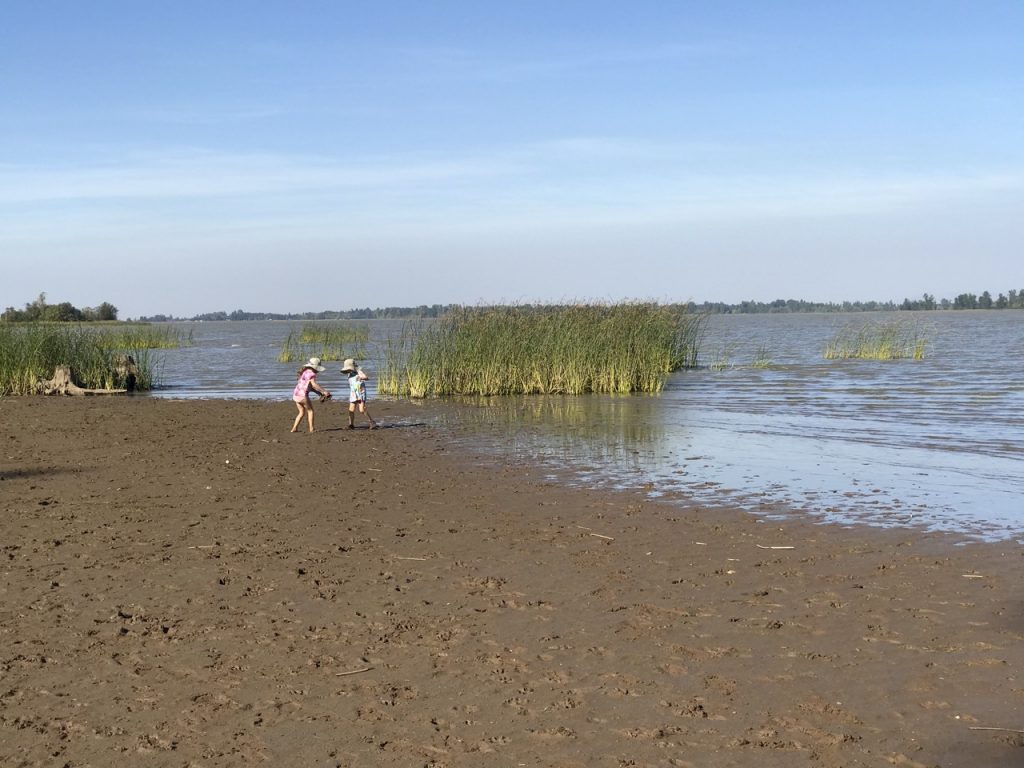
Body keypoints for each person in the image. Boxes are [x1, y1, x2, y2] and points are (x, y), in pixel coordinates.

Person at [291, 357, 331, 433]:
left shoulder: (305, 372)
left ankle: (294, 428)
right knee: (310, 411)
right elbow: (314, 385)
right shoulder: (312, 374)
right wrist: (324, 391)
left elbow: (309, 387)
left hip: (296, 395)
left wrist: (319, 393)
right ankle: (311, 429)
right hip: (303, 396)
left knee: (301, 412)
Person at [341, 358, 377, 429]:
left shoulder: (358, 371)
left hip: (360, 392)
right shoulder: (349, 374)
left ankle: (372, 421)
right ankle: (351, 425)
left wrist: (361, 378)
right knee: (351, 409)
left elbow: (366, 377)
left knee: (362, 410)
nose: (348, 370)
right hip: (353, 393)